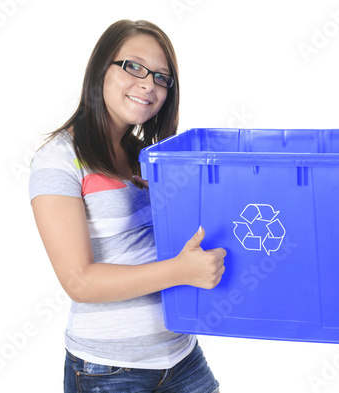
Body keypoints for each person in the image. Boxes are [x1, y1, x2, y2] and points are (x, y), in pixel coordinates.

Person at [29, 19, 226, 393]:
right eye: (133, 66)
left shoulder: (147, 160)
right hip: (109, 370)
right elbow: (79, 281)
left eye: (161, 77)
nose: (148, 84)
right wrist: (181, 270)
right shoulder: (58, 160)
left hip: (181, 356)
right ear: (101, 68)